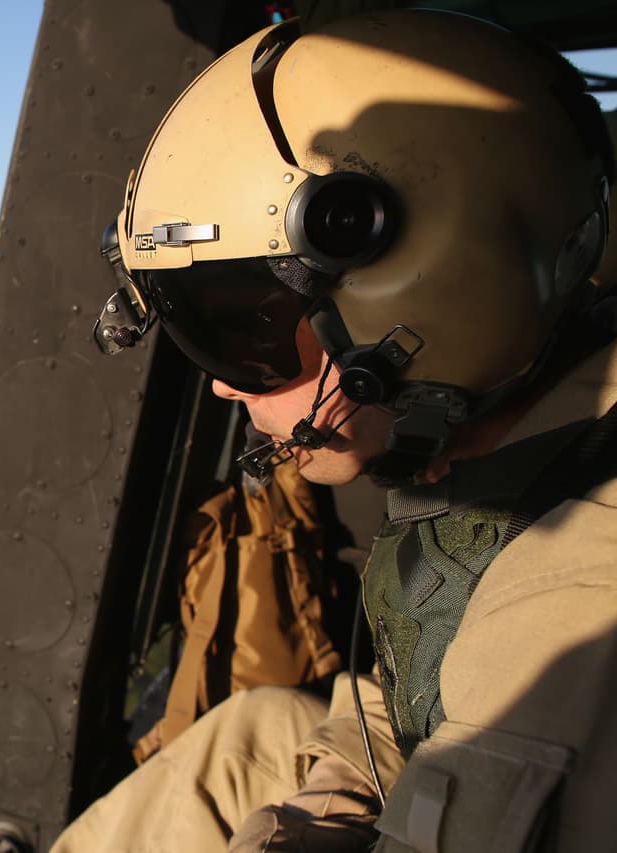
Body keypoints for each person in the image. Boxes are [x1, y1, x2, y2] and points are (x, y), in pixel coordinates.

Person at [65, 9, 617, 852]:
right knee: (246, 735)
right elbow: (413, 698)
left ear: (431, 299)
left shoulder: (575, 604)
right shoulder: (499, 463)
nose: (216, 380)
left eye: (242, 333)